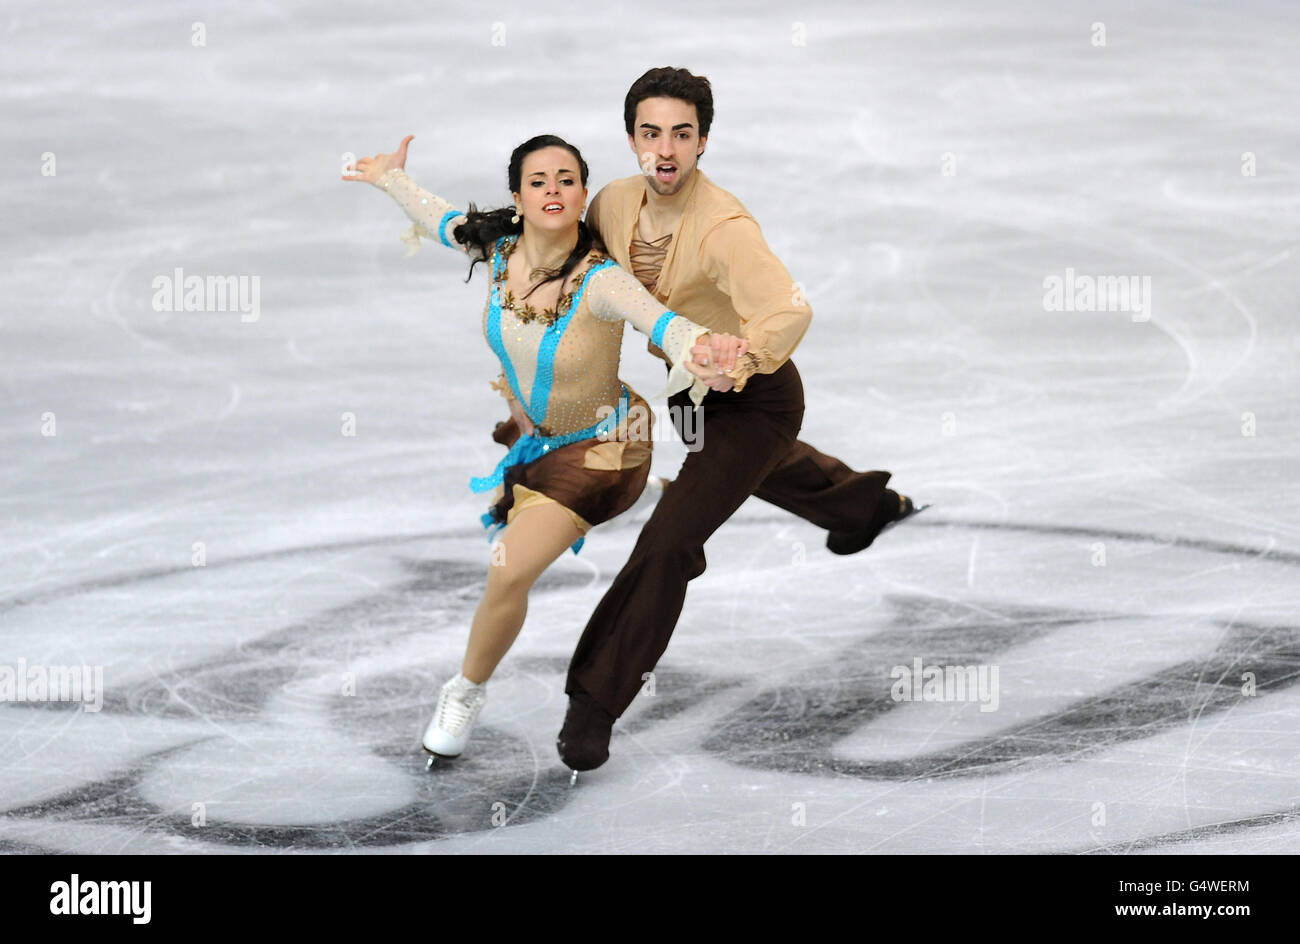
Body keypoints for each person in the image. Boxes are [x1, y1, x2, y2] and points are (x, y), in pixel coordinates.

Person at [557, 68, 920, 771]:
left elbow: (789, 308)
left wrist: (742, 359)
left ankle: (594, 702)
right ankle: (865, 507)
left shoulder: (724, 227)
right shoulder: (613, 203)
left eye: (682, 134)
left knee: (671, 538)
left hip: (754, 398)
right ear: (631, 138)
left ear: (703, 141)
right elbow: (570, 255)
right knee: (753, 471)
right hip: (687, 396)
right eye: (651, 133)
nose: (666, 150)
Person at [343, 133, 745, 760]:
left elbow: (662, 322)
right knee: (511, 564)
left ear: (583, 196)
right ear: (518, 197)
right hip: (537, 440)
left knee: (507, 570)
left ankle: (465, 690)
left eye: (566, 180)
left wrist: (701, 349)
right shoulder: (498, 248)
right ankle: (641, 499)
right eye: (538, 181)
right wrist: (392, 178)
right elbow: (441, 218)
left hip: (605, 448)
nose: (552, 190)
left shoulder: (601, 281)